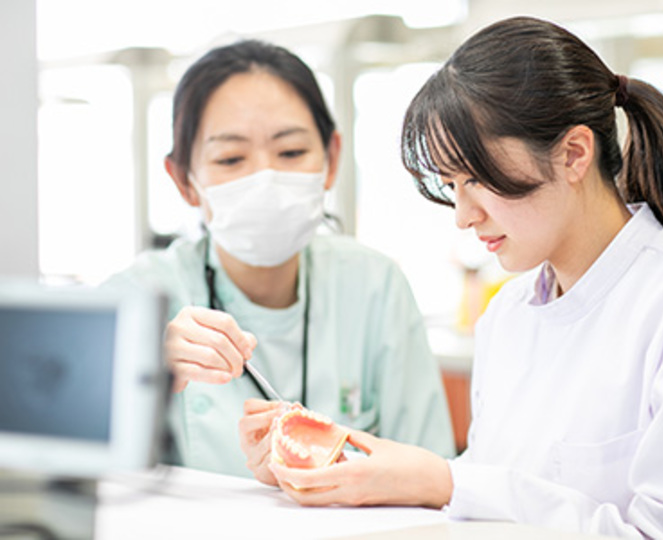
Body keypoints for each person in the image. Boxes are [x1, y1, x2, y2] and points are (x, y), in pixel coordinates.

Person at [245, 16, 663, 539]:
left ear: (574, 154)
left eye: (477, 179)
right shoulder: (506, 316)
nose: (463, 215)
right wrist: (339, 472)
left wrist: (445, 482)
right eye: (451, 185)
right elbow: (490, 493)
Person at [105, 39, 455, 478]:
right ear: (184, 181)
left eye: (290, 152)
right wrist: (147, 379)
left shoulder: (374, 285)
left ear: (331, 159)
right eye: (230, 158)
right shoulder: (136, 299)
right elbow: (67, 473)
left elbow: (435, 473)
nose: (265, 179)